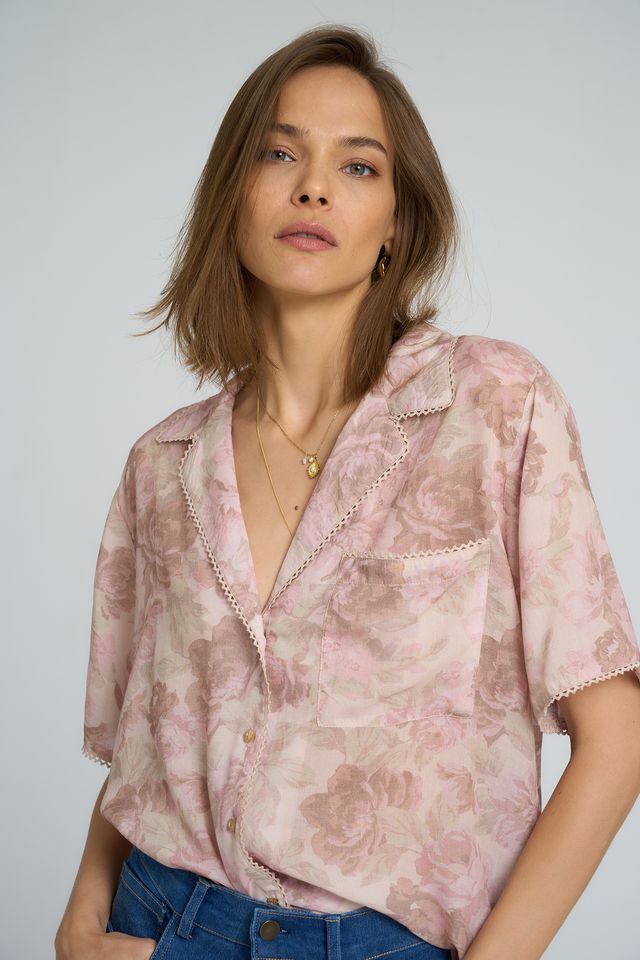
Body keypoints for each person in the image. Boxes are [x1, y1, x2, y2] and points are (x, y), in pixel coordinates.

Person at [55, 23, 640, 960]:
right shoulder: (161, 465)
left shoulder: (496, 405)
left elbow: (617, 740)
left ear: (397, 224)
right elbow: (144, 753)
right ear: (232, 196)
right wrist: (80, 925)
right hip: (160, 921)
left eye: (358, 166)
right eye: (279, 153)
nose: (314, 187)